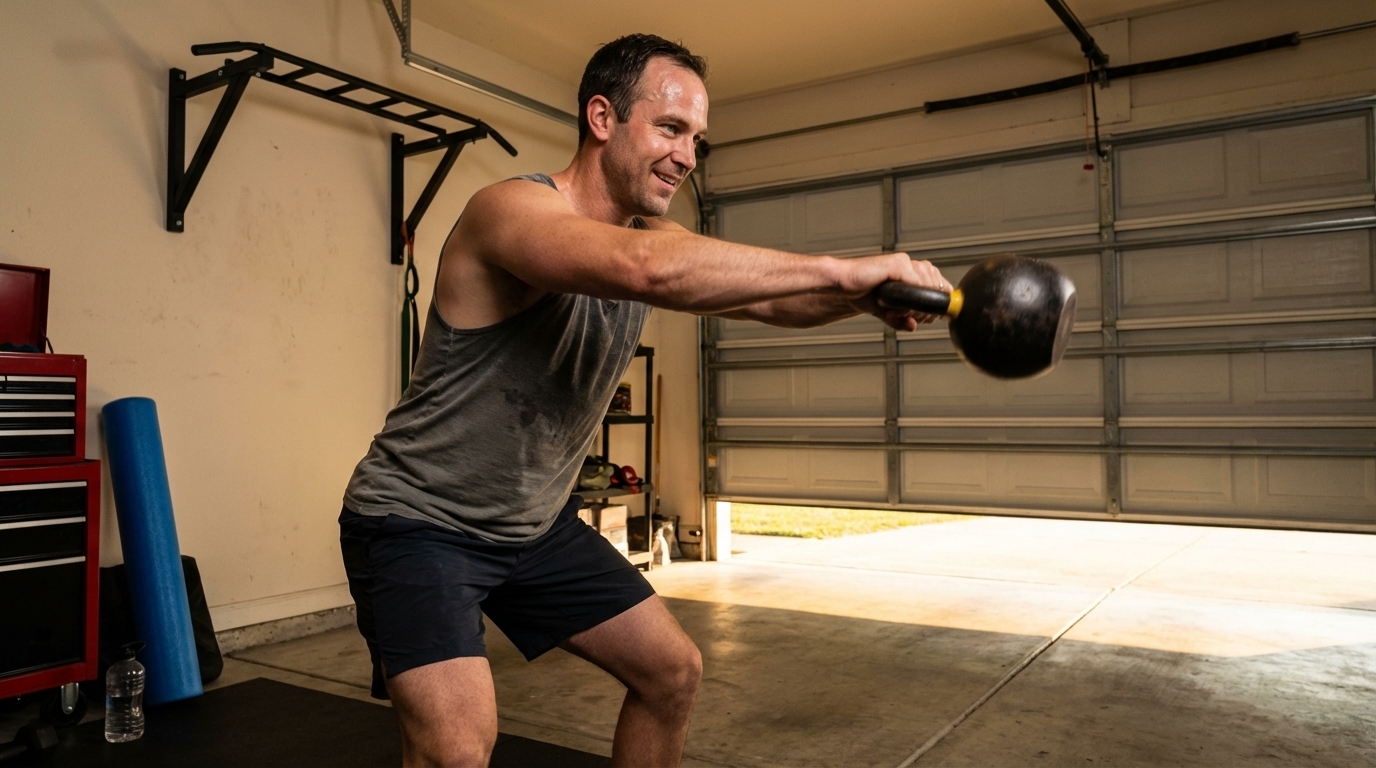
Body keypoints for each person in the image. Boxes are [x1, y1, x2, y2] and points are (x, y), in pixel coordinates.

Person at [339, 33, 951, 768]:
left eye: (696, 138)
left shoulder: (654, 237)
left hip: (530, 528)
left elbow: (771, 306)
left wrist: (863, 302)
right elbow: (648, 271)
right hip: (419, 521)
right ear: (603, 117)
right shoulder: (511, 211)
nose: (687, 155)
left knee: (672, 674)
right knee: (457, 751)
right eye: (669, 128)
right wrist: (846, 269)